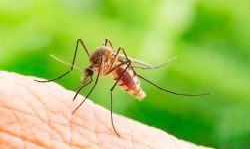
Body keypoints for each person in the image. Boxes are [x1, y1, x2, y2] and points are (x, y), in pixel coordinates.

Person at [0, 71, 209, 149]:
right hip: (113, 65)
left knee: (113, 79)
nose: (86, 77)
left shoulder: (107, 65)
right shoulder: (95, 65)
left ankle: (154, 87)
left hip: (121, 68)